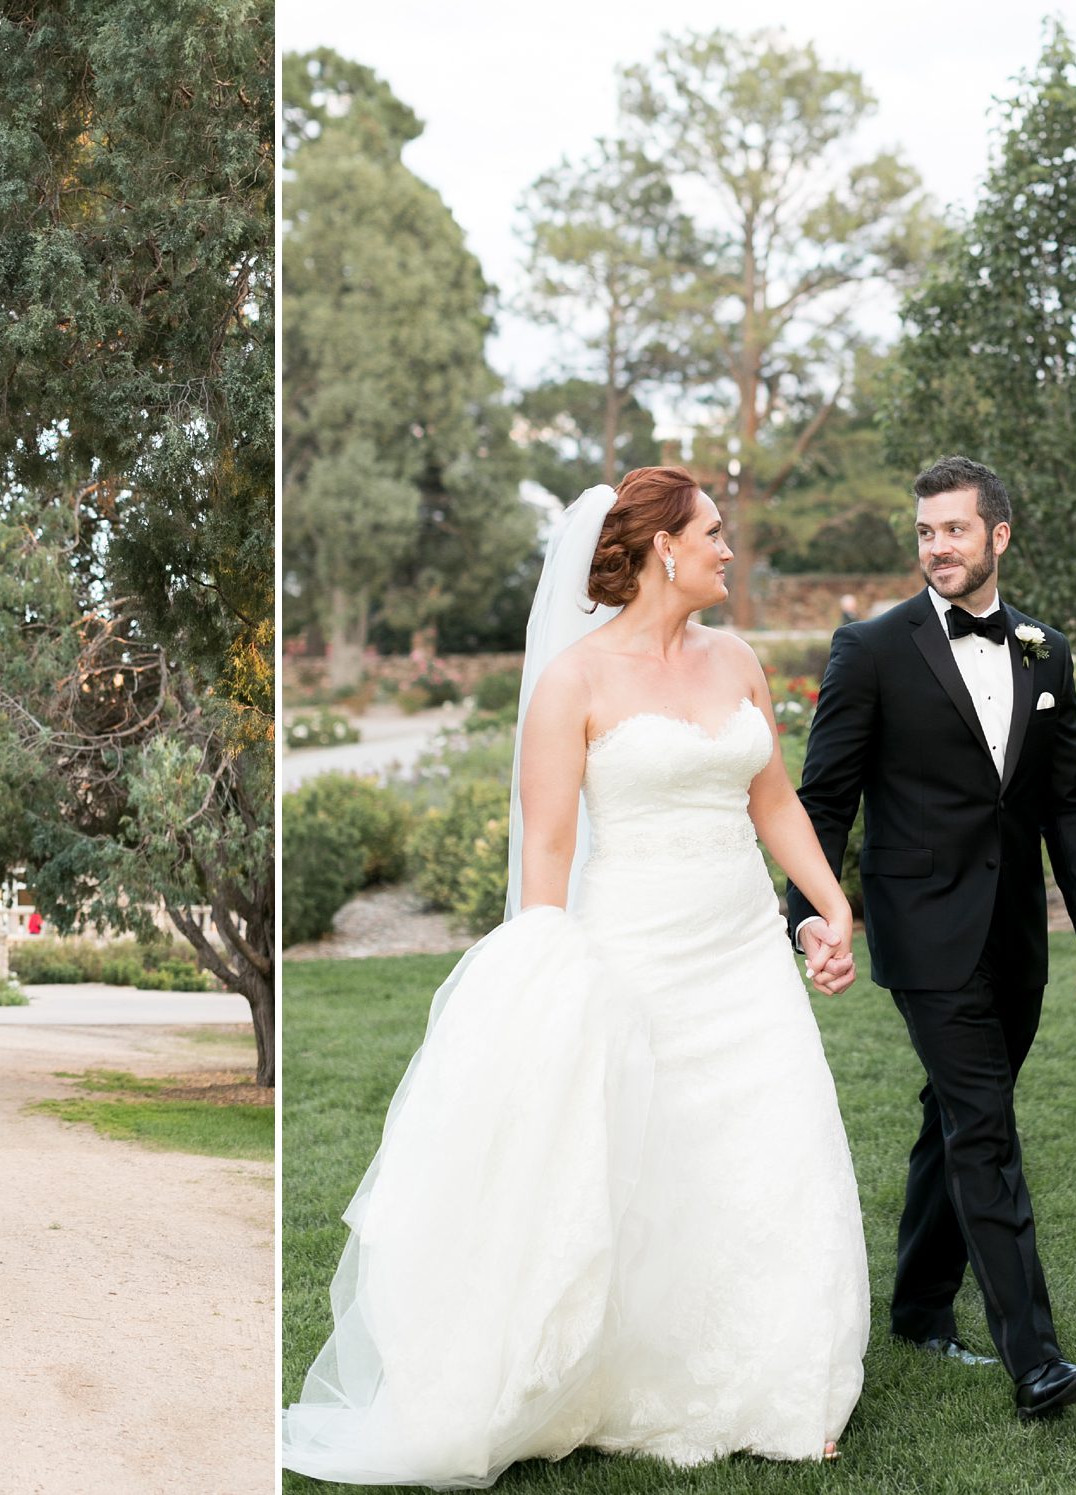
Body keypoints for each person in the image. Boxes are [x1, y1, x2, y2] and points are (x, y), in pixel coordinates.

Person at [282, 467, 868, 1484]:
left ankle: (779, 1386)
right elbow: (547, 847)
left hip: (742, 953)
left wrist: (830, 902)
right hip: (633, 956)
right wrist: (543, 982)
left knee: (775, 1149)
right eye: (713, 533)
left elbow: (771, 798)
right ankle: (621, 1379)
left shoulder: (736, 660)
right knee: (644, 1167)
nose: (729, 550)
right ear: (662, 550)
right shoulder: (574, 682)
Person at [788, 455, 1076, 1419]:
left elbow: (1069, 799)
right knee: (984, 1126)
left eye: (955, 530)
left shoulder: (1045, 650)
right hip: (923, 929)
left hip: (1015, 934)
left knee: (958, 1112)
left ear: (998, 536)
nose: (936, 546)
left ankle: (919, 1306)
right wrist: (809, 911)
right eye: (925, 531)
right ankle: (1037, 1361)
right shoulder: (870, 648)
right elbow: (824, 797)